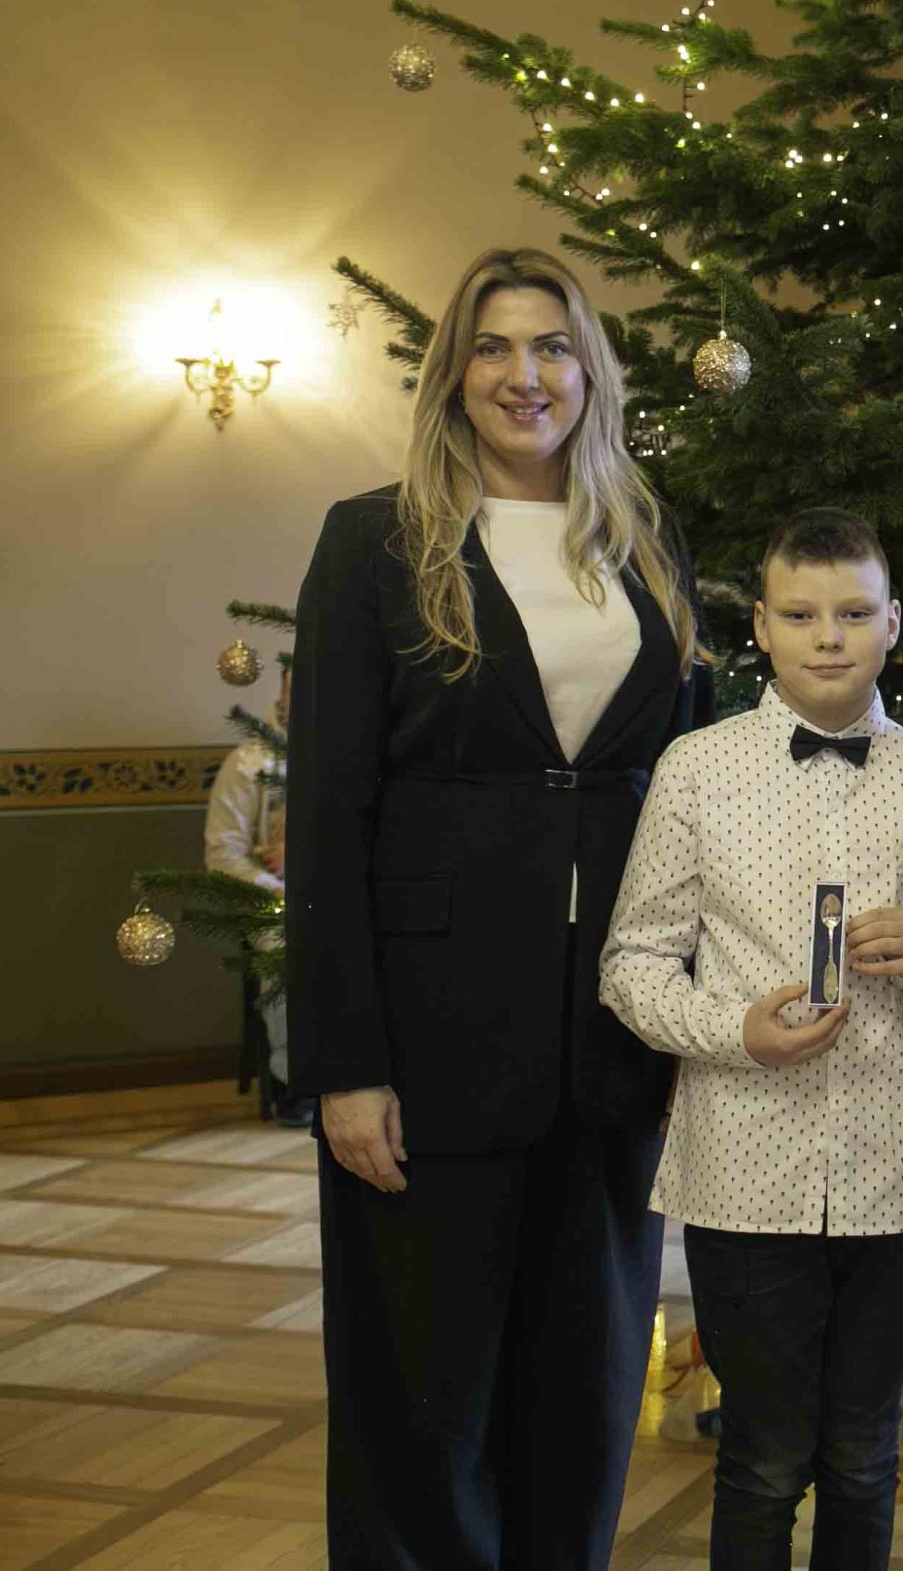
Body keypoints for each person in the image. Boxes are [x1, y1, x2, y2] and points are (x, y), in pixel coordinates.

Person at [286, 246, 710, 1571]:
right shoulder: (376, 538)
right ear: (453, 374)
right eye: (493, 347)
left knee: (586, 1385)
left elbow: (686, 784)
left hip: (614, 1038)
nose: (525, 376)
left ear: (591, 371)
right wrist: (344, 1064)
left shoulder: (645, 536)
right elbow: (327, 815)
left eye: (552, 346)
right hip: (430, 1037)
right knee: (422, 1397)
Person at [601, 507, 903, 1571]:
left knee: (865, 1452)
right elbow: (630, 964)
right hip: (742, 1164)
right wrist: (734, 1030)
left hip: (893, 1165)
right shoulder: (695, 769)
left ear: (893, 624)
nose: (829, 636)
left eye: (855, 614)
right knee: (767, 1456)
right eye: (801, 614)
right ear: (762, 626)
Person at [203, 662, 312, 1124]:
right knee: (287, 950)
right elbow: (222, 852)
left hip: (345, 895)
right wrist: (279, 886)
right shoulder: (249, 763)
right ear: (282, 697)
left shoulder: (359, 756)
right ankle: (295, 1082)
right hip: (273, 898)